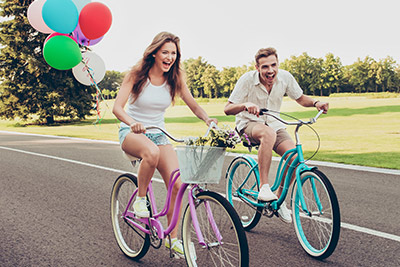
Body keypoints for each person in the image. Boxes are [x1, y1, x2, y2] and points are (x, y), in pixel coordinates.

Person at [113, 31, 217, 256]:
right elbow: (117, 108)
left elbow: (194, 105)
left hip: (159, 134)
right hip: (131, 132)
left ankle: (173, 237)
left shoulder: (175, 79)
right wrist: (132, 123)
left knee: (178, 183)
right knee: (151, 152)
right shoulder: (136, 75)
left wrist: (208, 119)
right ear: (154, 53)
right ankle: (141, 200)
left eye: (174, 53)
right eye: (165, 52)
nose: (170, 57)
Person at [224, 47, 329, 223]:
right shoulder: (247, 80)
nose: (270, 70)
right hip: (248, 125)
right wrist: (245, 105)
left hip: (275, 124)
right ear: (257, 68)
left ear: (278, 64)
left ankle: (279, 198)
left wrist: (316, 102)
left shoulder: (285, 78)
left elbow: (301, 98)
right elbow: (227, 109)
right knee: (268, 133)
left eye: (273, 65)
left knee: (294, 156)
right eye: (265, 67)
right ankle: (264, 187)